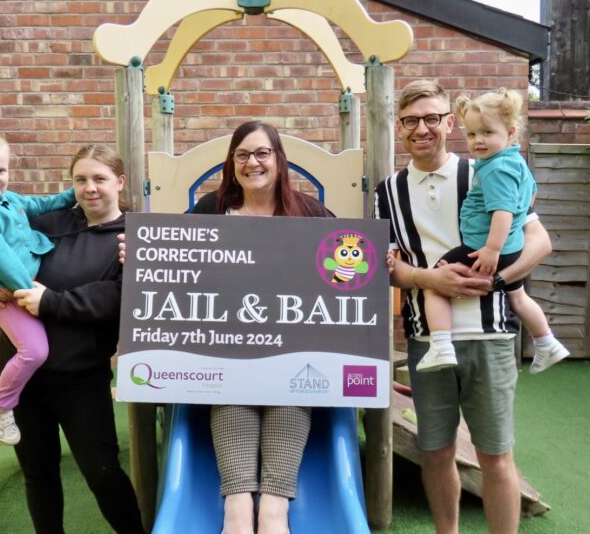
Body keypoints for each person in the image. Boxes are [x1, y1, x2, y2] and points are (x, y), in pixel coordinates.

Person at [374, 80, 552, 534]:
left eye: (432, 118)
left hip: (490, 336)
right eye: (412, 121)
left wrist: (493, 279)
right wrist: (429, 278)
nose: (422, 129)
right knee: (435, 451)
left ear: (448, 123)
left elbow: (539, 241)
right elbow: (384, 267)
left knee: (496, 455)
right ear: (400, 127)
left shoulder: (487, 169)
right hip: (427, 340)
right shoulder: (386, 193)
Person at [0, 144, 146, 534]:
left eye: (100, 179)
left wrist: (51, 303)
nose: (90, 188)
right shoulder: (46, 223)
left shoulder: (136, 237)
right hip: (25, 380)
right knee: (39, 476)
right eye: (81, 179)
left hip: (81, 379)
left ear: (119, 182)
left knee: (103, 474)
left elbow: (117, 299)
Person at [193, 120, 333, 534]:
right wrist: (143, 255)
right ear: (232, 163)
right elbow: (173, 254)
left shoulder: (307, 211)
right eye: (242, 155)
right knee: (231, 388)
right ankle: (237, 505)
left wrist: (377, 259)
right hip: (228, 345)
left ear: (277, 159)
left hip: (293, 344)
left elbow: (348, 254)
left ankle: (274, 507)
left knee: (290, 389)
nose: (252, 162)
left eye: (261, 153)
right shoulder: (210, 209)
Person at [414, 88, 569, 374]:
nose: (478, 141)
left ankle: (440, 345)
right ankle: (547, 342)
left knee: (435, 283)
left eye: (487, 132)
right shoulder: (515, 163)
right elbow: (530, 196)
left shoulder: (495, 170)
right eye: (472, 135)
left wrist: (492, 249)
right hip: (513, 248)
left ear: (510, 133)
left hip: (485, 247)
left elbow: (502, 212)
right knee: (518, 296)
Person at [0, 126, 76, 445]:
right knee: (34, 351)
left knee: (42, 350)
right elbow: (2, 260)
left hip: (23, 291)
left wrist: (74, 193)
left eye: (1, 170)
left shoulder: (8, 200)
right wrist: (30, 291)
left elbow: (40, 205)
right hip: (12, 294)